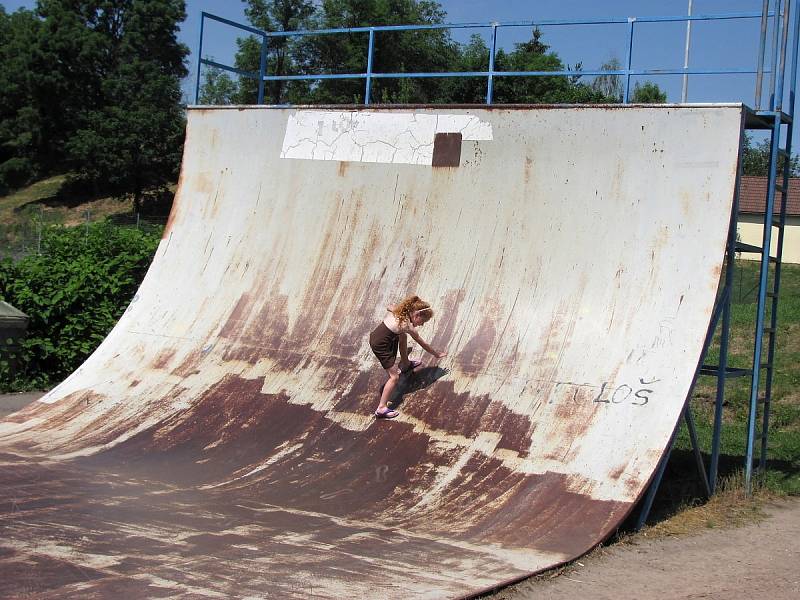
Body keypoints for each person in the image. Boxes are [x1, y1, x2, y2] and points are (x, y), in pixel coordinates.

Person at [368, 295, 447, 419]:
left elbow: (390, 306)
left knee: (402, 336)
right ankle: (381, 408)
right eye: (422, 322)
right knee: (394, 377)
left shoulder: (399, 312)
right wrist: (436, 354)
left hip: (376, 336)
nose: (421, 325)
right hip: (380, 345)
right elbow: (423, 343)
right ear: (416, 316)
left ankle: (406, 363)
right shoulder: (406, 325)